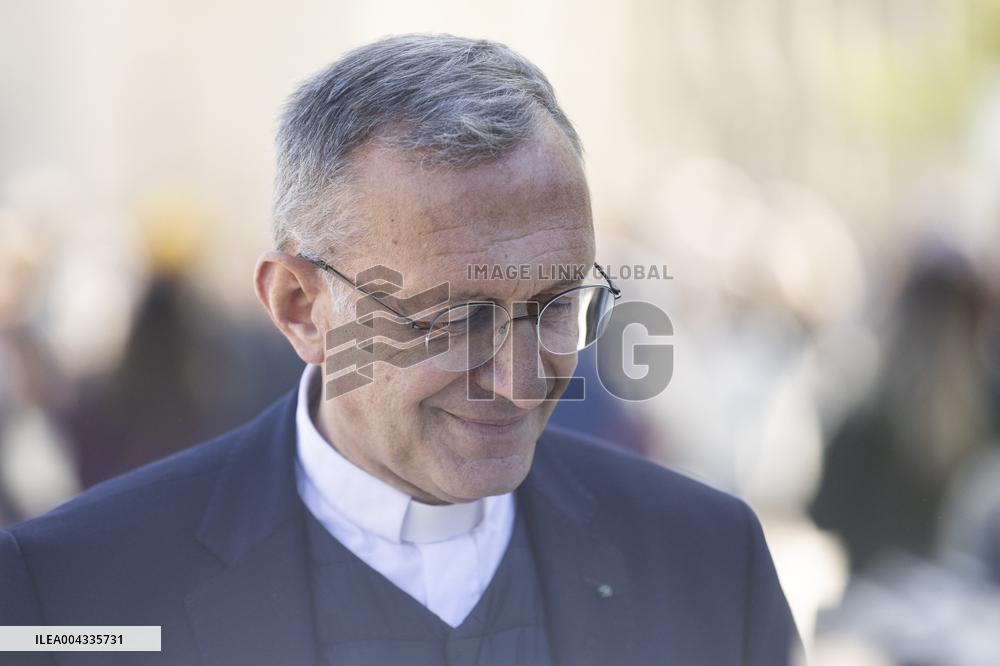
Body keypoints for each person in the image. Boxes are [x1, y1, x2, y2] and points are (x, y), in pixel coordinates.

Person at [0, 34, 800, 665]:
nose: (522, 381)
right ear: (300, 306)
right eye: (456, 318)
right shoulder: (74, 593)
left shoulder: (708, 563)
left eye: (558, 304)